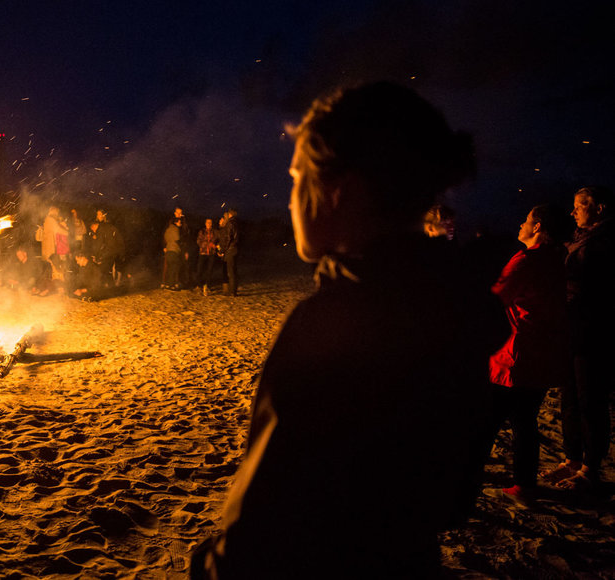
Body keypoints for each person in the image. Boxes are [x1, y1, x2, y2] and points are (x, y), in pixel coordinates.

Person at [191, 81, 508, 578]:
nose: (292, 201)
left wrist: (206, 563)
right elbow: (450, 498)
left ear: (340, 192)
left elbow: (263, 533)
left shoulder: (336, 324)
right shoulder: (457, 304)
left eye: (297, 179)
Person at [487, 204, 570, 501]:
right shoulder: (557, 258)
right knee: (525, 420)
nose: (521, 224)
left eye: (526, 220)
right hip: (542, 353)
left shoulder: (526, 259)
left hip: (515, 356)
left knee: (488, 420)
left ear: (537, 228)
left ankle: (466, 479)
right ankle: (524, 484)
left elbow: (497, 298)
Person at [542, 186, 615, 491]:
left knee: (590, 399)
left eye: (579, 206)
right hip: (570, 328)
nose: (573, 212)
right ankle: (572, 458)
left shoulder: (607, 242)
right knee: (568, 396)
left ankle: (590, 467)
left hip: (593, 330)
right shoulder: (576, 239)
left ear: (599, 207)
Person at [196, 218, 220, 296]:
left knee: (209, 270)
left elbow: (217, 240)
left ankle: (207, 285)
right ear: (205, 223)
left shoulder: (215, 232)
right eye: (208, 222)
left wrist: (215, 246)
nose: (209, 224)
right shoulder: (202, 231)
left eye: (210, 223)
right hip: (203, 253)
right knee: (200, 269)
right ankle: (199, 285)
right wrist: (207, 244)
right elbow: (199, 241)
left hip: (211, 253)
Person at [218, 208, 238, 295]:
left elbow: (228, 238)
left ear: (230, 214)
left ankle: (232, 291)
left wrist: (222, 250)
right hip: (234, 249)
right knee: (232, 270)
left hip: (230, 250)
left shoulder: (230, 223)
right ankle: (232, 290)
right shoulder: (236, 223)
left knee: (230, 272)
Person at [162, 216, 183, 290]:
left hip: (168, 250)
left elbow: (165, 238)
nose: (180, 223)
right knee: (174, 268)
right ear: (176, 222)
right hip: (174, 250)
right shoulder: (176, 229)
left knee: (170, 268)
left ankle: (167, 284)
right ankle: (172, 285)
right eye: (179, 222)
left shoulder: (168, 229)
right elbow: (177, 238)